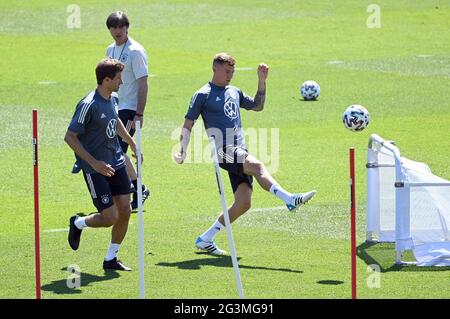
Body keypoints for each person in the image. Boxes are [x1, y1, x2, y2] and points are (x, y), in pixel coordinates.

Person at [174, 52, 317, 255]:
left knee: (243, 203)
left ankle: (205, 239)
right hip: (224, 151)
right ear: (215, 69)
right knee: (258, 167)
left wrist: (261, 81)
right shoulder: (203, 94)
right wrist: (182, 150)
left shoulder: (234, 91)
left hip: (240, 149)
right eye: (226, 71)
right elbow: (188, 124)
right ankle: (290, 199)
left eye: (232, 72)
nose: (230, 75)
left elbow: (258, 106)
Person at [64, 58, 142, 271]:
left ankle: (111, 259)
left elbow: (114, 120)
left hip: (116, 162)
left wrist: (131, 142)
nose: (122, 83)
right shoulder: (88, 104)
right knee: (110, 217)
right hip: (95, 168)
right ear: (106, 80)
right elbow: (70, 137)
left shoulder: (113, 98)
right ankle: (78, 223)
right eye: (118, 78)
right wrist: (95, 164)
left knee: (125, 210)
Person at [105, 11, 150, 210]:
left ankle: (136, 189)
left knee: (118, 150)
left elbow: (143, 83)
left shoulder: (135, 51)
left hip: (130, 108)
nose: (118, 31)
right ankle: (137, 188)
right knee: (115, 151)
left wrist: (139, 113)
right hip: (114, 106)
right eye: (114, 27)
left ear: (127, 28)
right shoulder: (110, 49)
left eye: (121, 26)